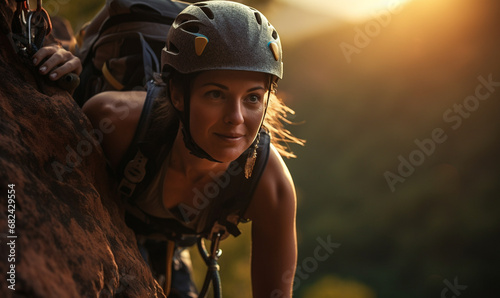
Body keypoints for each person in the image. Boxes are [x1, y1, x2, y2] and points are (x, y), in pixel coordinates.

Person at [82, 1, 302, 297]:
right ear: (177, 94)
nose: (235, 118)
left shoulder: (270, 187)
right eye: (215, 94)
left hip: (171, 253)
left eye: (252, 98)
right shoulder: (114, 123)